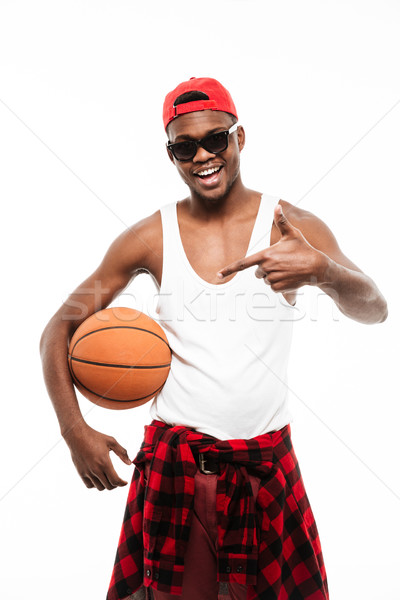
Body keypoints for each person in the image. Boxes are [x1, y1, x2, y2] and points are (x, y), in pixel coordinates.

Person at [40, 77, 388, 600]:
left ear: (239, 139)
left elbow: (376, 309)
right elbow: (57, 329)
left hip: (265, 463)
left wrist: (325, 273)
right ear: (172, 155)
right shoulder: (150, 236)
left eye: (215, 139)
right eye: (185, 146)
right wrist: (74, 432)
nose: (203, 155)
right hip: (175, 462)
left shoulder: (290, 226)